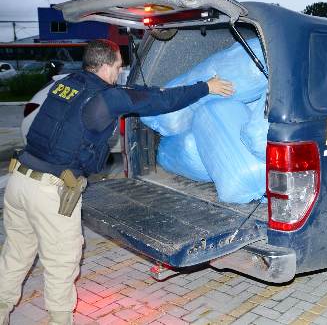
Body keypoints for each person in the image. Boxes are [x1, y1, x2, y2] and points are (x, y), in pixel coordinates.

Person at [0, 39, 234, 325]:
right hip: (50, 193)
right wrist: (205, 87)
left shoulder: (69, 83)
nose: (119, 73)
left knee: (15, 256)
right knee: (61, 263)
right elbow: (161, 102)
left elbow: (137, 92)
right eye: (119, 67)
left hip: (19, 182)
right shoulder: (106, 98)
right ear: (108, 65)